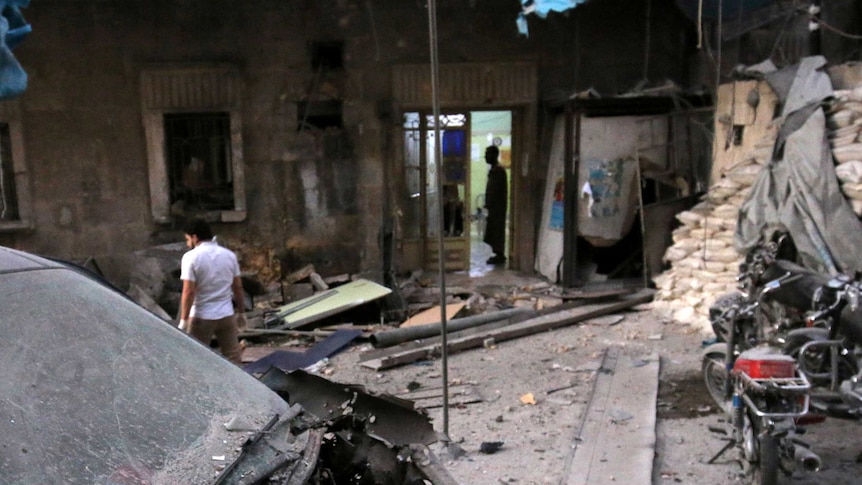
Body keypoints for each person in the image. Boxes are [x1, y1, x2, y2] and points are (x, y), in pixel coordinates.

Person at [179, 218, 245, 365]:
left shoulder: (190, 257)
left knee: (195, 360)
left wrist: (183, 321)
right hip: (226, 315)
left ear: (195, 237)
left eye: (188, 239)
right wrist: (241, 312)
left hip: (202, 317)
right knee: (234, 359)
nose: (187, 243)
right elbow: (238, 288)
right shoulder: (229, 255)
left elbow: (188, 292)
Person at [483, 145, 508, 264]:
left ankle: (499, 253)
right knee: (493, 231)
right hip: (494, 208)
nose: (485, 157)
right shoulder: (494, 171)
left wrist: (490, 203)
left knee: (497, 231)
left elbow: (495, 191)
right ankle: (497, 252)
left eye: (487, 154)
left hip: (497, 208)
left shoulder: (498, 171)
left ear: (494, 155)